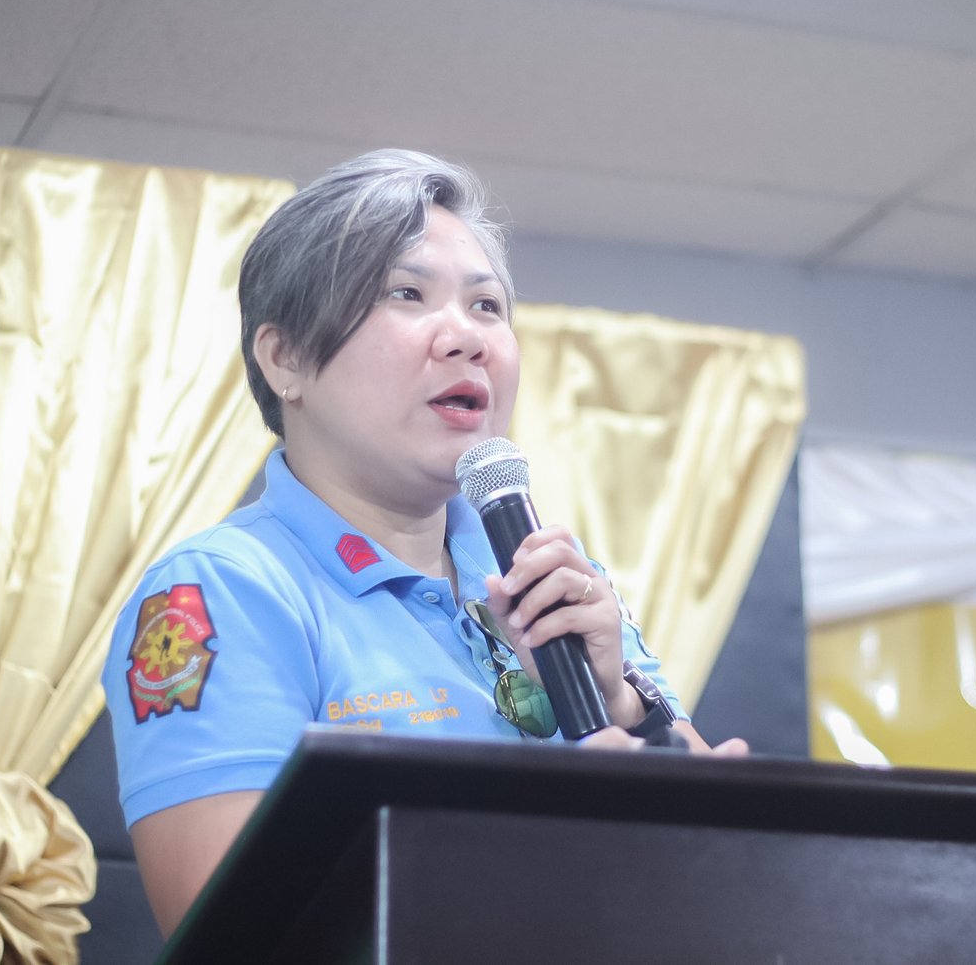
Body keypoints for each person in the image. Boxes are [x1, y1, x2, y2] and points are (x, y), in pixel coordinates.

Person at [101, 149, 748, 937]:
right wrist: (562, 850)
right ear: (285, 358)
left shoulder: (555, 580)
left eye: (487, 306)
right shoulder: (224, 592)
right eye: (406, 293)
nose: (467, 337)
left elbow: (721, 871)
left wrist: (620, 700)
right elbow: (239, 935)